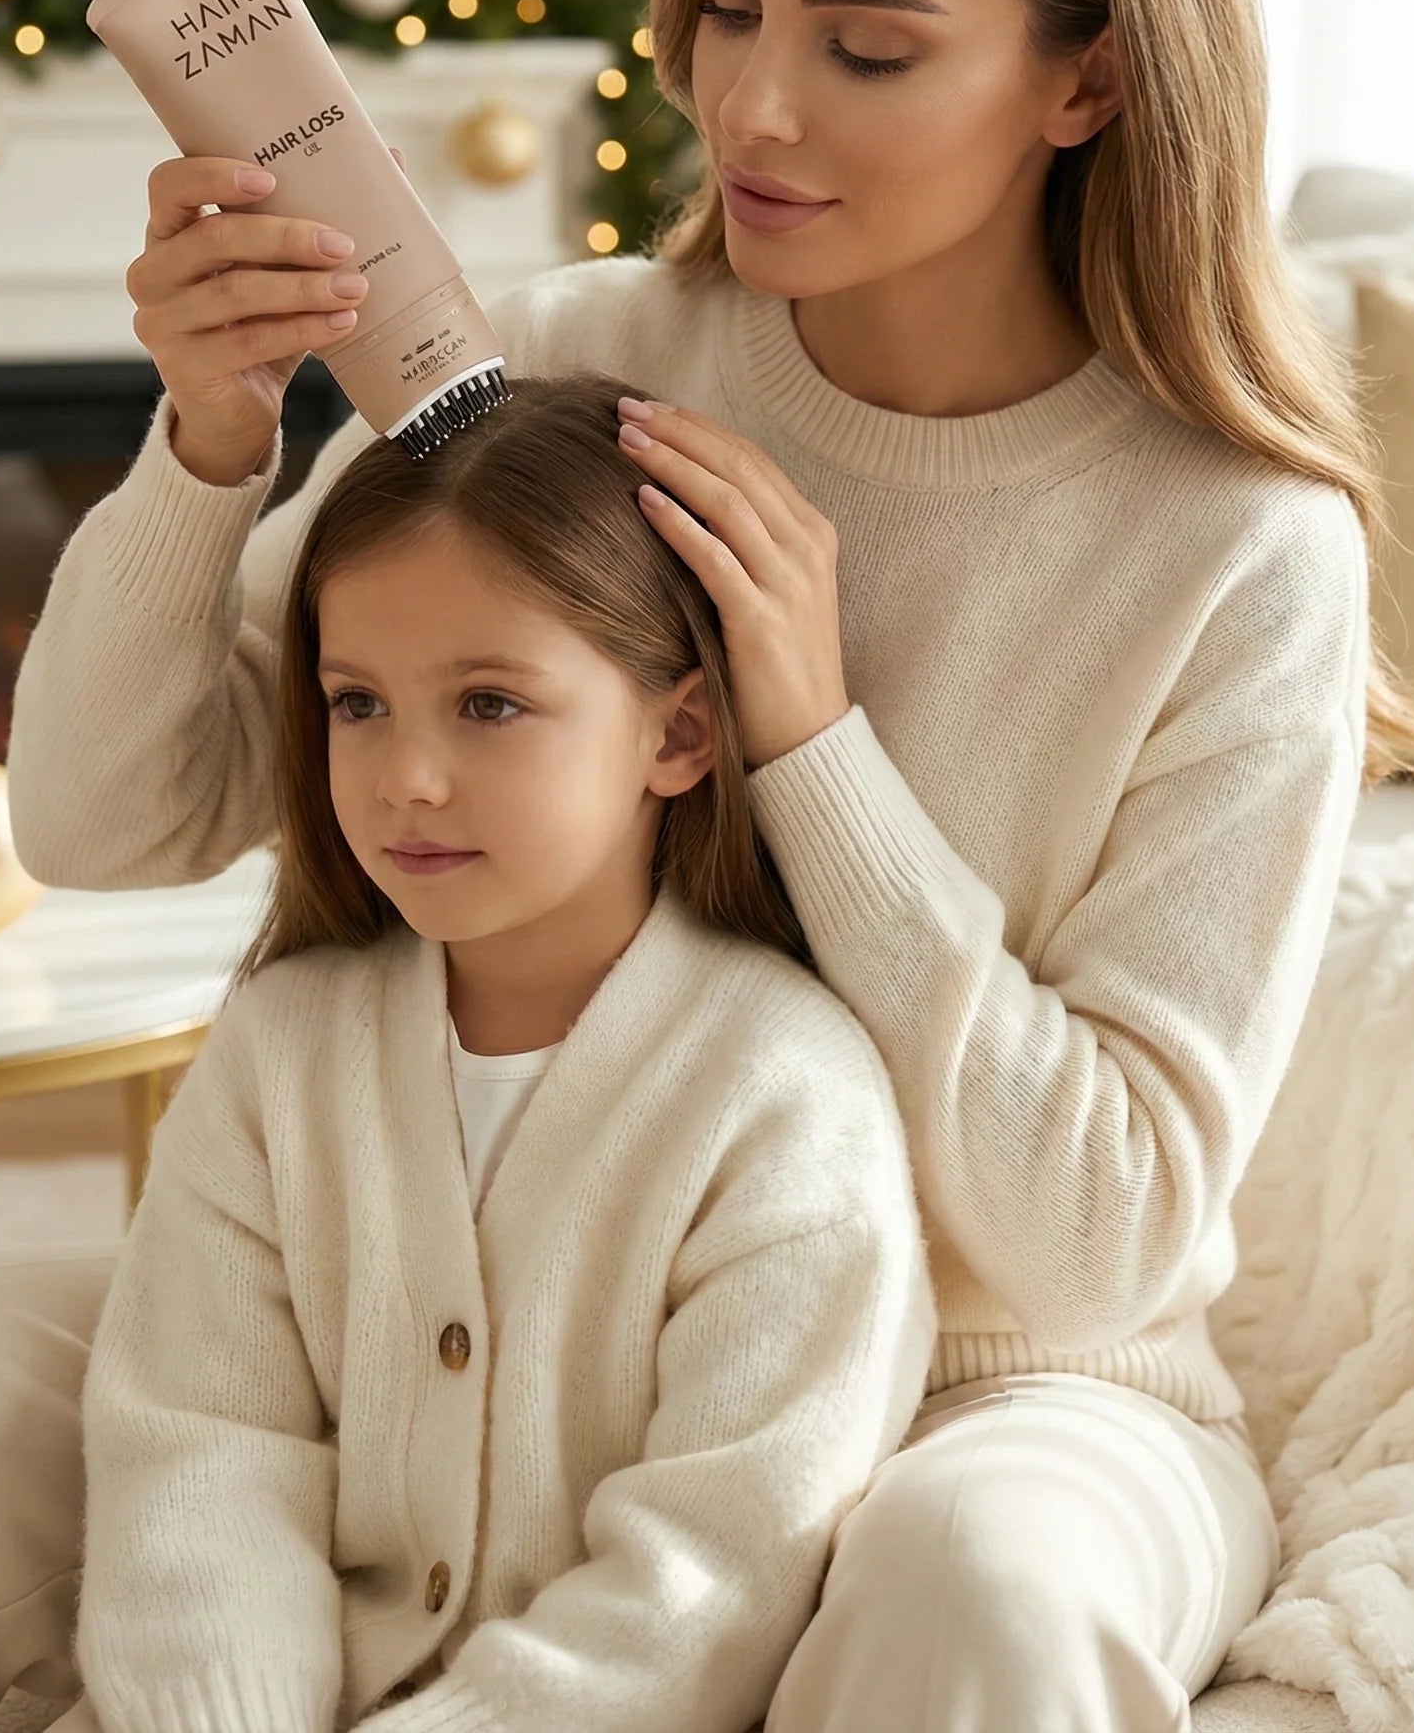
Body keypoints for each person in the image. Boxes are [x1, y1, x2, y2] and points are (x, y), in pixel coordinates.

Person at [0, 0, 1414, 1733]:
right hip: (448, 1322)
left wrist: (812, 746)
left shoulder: (1237, 546)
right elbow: (101, 819)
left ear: (1088, 80)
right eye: (729, 4)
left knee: (981, 1586)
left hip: (1003, 1394)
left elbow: (1099, 1239)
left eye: (866, 47)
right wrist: (207, 444)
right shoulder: (559, 355)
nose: (751, 104)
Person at [56, 374, 929, 1733]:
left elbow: (716, 1571)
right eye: (357, 704)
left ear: (678, 733)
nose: (406, 777)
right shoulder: (280, 1054)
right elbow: (200, 1462)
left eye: (488, 706)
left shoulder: (783, 1098)